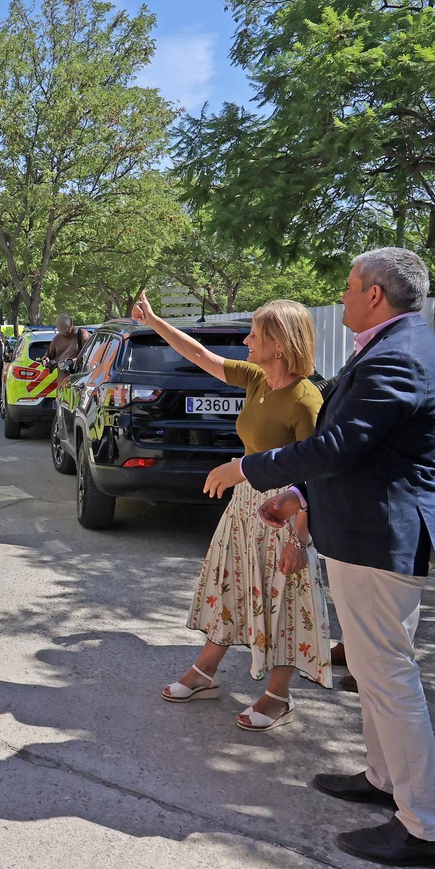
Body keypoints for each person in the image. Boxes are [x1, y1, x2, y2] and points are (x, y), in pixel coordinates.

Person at [205, 248, 435, 869]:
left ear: (375, 293)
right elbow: (359, 452)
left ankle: (426, 829)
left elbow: (338, 443)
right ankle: (382, 779)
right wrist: (296, 492)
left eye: (348, 287)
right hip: (366, 532)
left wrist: (250, 469)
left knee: (390, 678)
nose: (341, 297)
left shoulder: (398, 354)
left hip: (381, 538)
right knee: (375, 674)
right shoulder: (392, 346)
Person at [134, 291, 331, 729]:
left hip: (284, 513)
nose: (246, 341)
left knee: (283, 603)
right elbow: (200, 355)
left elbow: (315, 476)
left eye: (255, 334)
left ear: (280, 344)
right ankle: (205, 673)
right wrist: (155, 323)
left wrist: (301, 538)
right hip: (244, 507)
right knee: (228, 588)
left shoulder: (306, 399)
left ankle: (278, 697)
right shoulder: (259, 379)